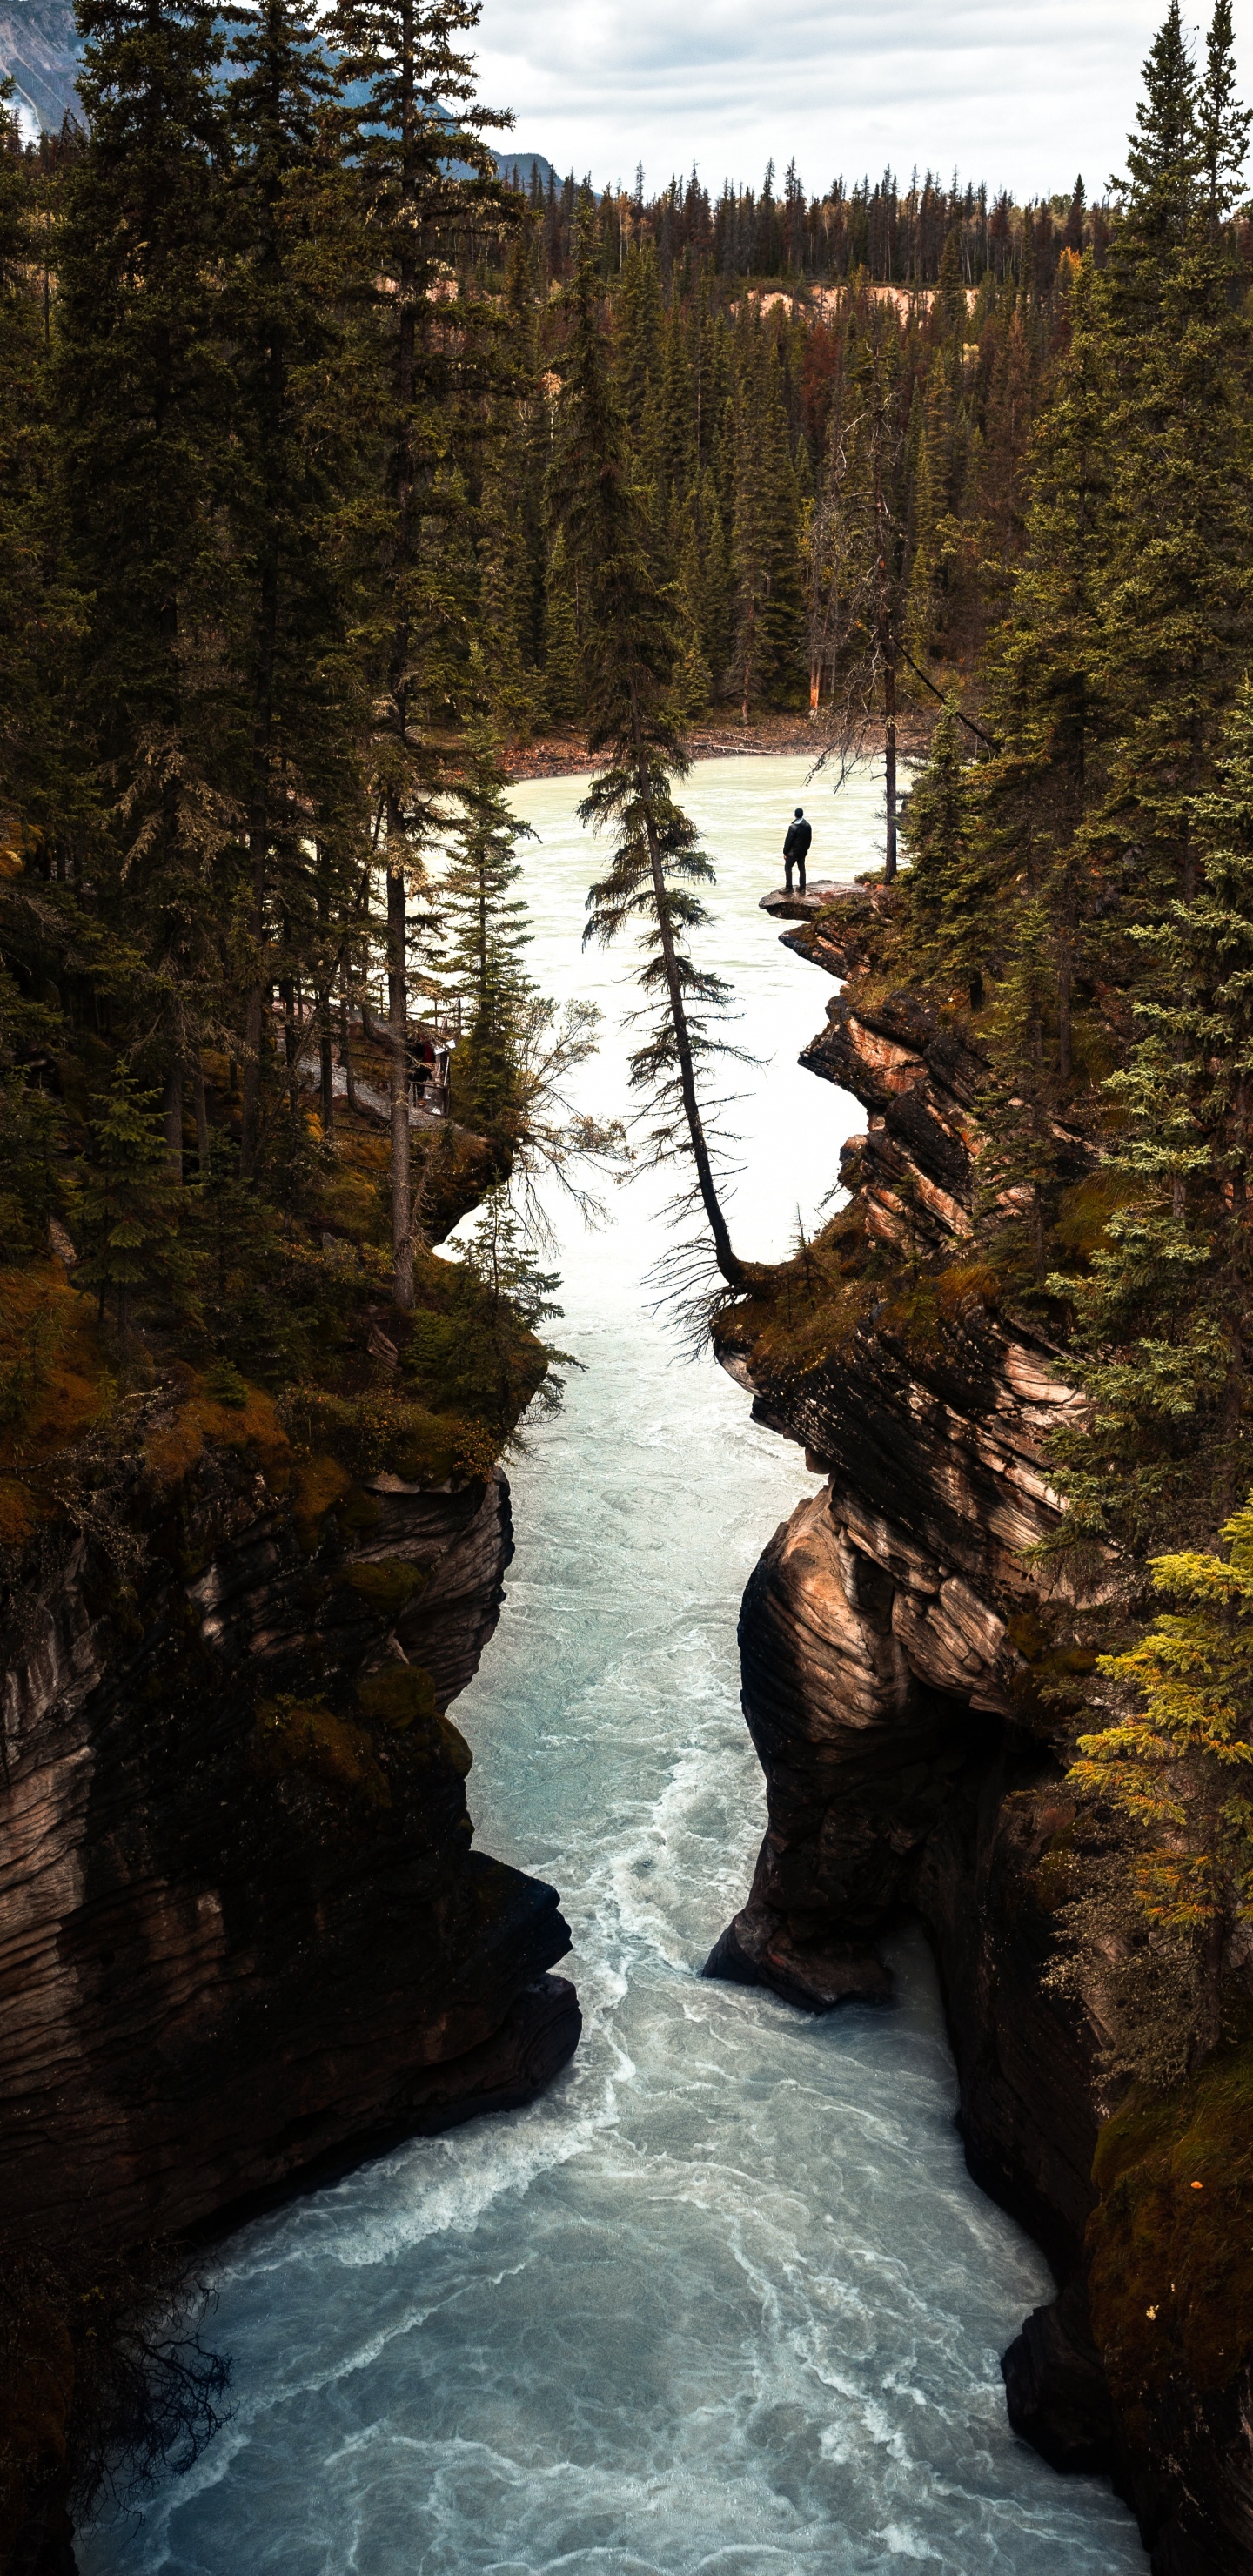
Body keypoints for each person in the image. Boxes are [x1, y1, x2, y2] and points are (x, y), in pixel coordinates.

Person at [783, 807, 812, 894]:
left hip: (793, 852)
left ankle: (789, 888)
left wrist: (785, 852)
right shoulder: (808, 826)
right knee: (802, 868)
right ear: (802, 815)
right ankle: (802, 888)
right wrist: (806, 849)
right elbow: (809, 839)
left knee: (788, 867)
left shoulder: (793, 827)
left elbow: (788, 841)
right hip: (803, 852)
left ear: (795, 815)